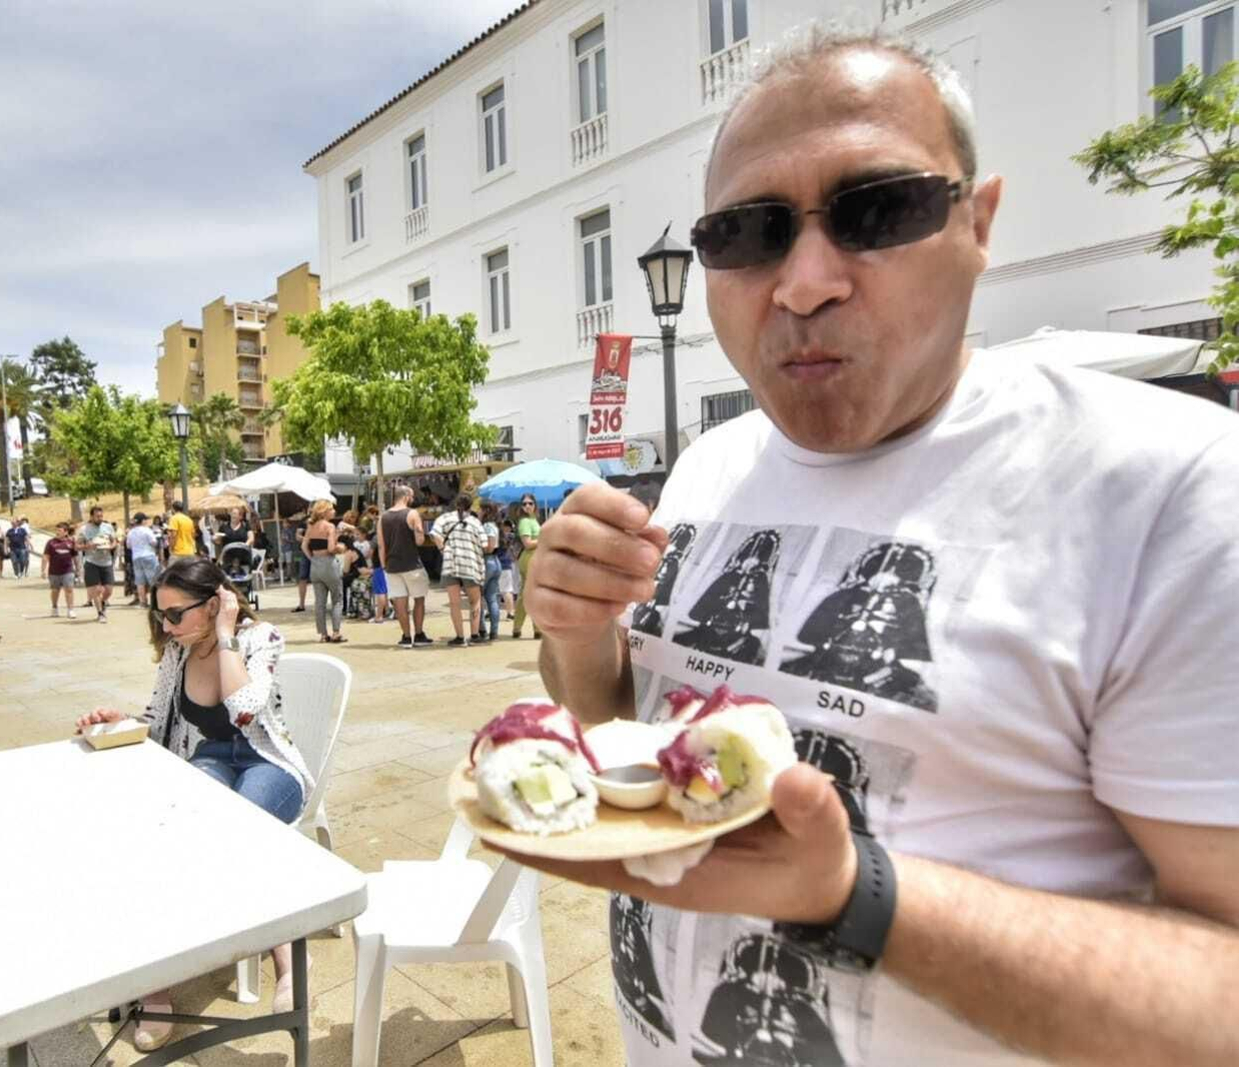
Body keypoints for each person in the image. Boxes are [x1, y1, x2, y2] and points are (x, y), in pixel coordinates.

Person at [519, 27, 1239, 1067]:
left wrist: (858, 892)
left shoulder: (1175, 490)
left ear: (977, 221)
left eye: (876, 210)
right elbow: (615, 721)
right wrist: (577, 635)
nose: (803, 280)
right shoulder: (707, 464)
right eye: (748, 233)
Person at [75, 557, 315, 1038]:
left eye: (175, 614)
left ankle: (288, 964)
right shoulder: (176, 653)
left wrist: (226, 634)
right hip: (209, 758)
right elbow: (157, 717)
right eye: (158, 616)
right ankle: (160, 985)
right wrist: (116, 718)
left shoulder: (260, 638)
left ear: (213, 604)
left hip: (268, 764)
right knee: (174, 836)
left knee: (241, 831)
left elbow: (246, 711)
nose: (166, 626)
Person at [377, 485, 432, 648]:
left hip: (392, 566)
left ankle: (406, 637)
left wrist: (383, 565)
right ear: (407, 496)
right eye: (412, 496)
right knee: (419, 599)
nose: (413, 499)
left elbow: (381, 545)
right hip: (412, 564)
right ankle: (419, 634)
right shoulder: (412, 513)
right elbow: (419, 541)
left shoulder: (383, 517)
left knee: (400, 602)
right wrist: (419, 530)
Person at [431, 495, 487, 646]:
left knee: (454, 603)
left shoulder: (445, 518)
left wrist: (442, 548)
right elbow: (485, 543)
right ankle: (474, 635)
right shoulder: (475, 522)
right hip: (471, 563)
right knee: (475, 601)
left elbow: (435, 533)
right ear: (470, 506)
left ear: (456, 504)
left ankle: (460, 637)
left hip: (451, 562)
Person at [303, 500, 346, 644]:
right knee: (337, 599)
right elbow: (331, 548)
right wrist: (341, 548)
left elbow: (304, 546)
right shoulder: (329, 526)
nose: (334, 511)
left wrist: (312, 558)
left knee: (319, 602)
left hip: (315, 564)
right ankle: (336, 632)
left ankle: (323, 634)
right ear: (324, 511)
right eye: (331, 509)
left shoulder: (311, 526)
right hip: (329, 563)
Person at [78, 506, 117, 622]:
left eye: (101, 516)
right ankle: (100, 613)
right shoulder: (84, 529)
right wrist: (87, 546)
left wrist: (111, 546)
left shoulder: (108, 527)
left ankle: (103, 602)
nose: (100, 518)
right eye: (97, 516)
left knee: (109, 590)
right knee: (95, 590)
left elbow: (114, 541)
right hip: (91, 562)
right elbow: (76, 546)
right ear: (91, 517)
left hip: (107, 561)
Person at [510, 494, 540, 639]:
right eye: (524, 504)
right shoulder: (524, 522)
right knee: (532, 594)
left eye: (530, 503)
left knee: (526, 594)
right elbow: (527, 544)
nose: (527, 506)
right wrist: (546, 539)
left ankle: (518, 627)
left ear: (535, 504)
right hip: (529, 558)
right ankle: (537, 628)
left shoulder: (533, 520)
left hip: (536, 559)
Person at [477, 503, 505, 641]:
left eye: (480, 509)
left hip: (487, 560)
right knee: (492, 598)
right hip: (495, 561)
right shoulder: (494, 525)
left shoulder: (487, 526)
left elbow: (489, 546)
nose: (478, 511)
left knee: (478, 596)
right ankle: (494, 631)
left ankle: (482, 629)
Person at [42, 521, 79, 619]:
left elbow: (75, 557)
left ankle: (70, 609)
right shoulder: (51, 543)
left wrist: (78, 569)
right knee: (55, 590)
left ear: (66, 532)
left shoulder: (71, 542)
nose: (57, 532)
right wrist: (43, 570)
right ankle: (54, 607)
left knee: (69, 590)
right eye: (56, 530)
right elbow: (45, 557)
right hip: (54, 571)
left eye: (60, 530)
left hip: (68, 571)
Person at [125, 512, 160, 608]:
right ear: (143, 521)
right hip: (148, 555)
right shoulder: (147, 530)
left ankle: (143, 601)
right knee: (152, 579)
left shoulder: (131, 532)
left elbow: (128, 545)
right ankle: (155, 602)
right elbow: (154, 542)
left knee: (140, 581)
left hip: (136, 557)